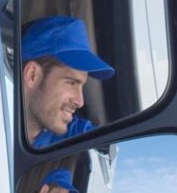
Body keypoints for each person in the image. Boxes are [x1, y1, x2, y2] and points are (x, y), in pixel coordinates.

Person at [20, 15, 115, 148]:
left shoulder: (76, 135)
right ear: (32, 75)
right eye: (71, 83)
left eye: (82, 86)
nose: (80, 102)